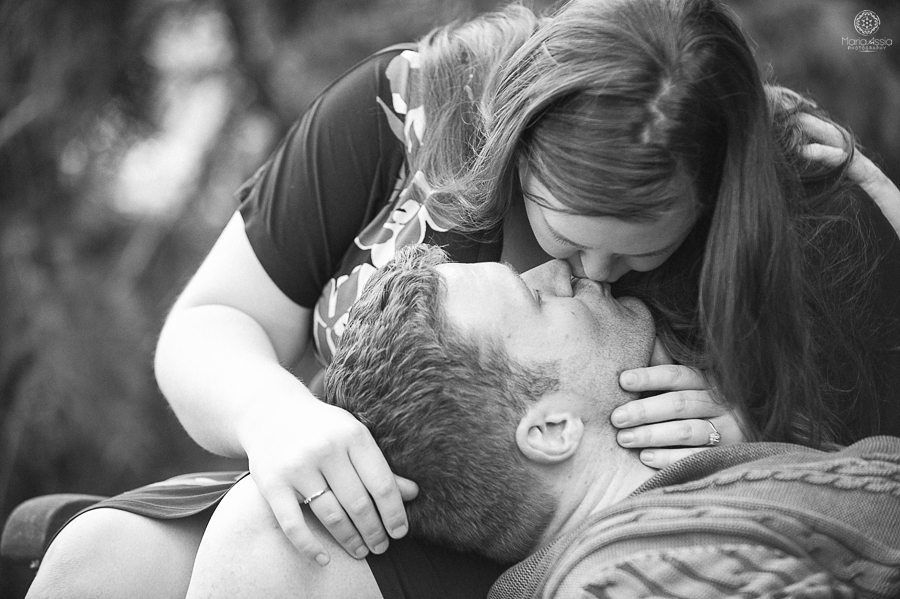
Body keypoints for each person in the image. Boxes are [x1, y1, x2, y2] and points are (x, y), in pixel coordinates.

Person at [43, 0, 900, 595]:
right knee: (101, 556)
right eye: (568, 234)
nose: (595, 273)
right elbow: (206, 325)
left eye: (641, 248)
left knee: (270, 547)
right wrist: (274, 415)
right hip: (352, 477)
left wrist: (752, 431)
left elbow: (857, 458)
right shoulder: (403, 109)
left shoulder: (771, 209)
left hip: (534, 526)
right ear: (515, 147)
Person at [162, 244, 900, 598]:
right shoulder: (627, 574)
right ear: (549, 429)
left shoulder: (727, 473)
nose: (558, 270)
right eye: (535, 300)